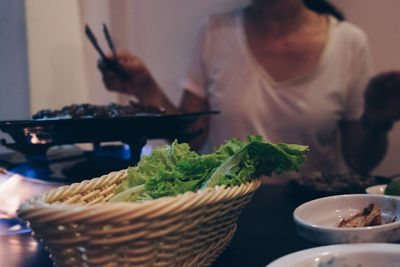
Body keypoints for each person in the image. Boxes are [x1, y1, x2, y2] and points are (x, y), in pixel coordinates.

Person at [98, 0, 400, 180]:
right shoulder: (214, 33)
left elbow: (361, 161)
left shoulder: (349, 42)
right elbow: (191, 137)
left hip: (312, 216)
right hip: (223, 215)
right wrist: (145, 87)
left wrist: (376, 122)